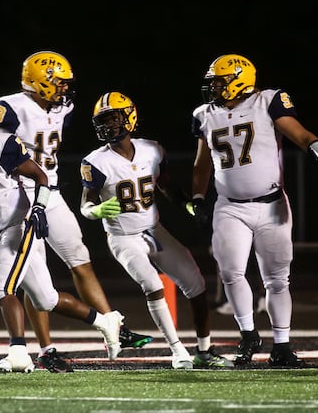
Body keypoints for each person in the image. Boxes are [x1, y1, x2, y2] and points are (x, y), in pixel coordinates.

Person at [0, 97, 124, 374]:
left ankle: (19, 352)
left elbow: (41, 177)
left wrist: (39, 208)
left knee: (0, 289)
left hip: (19, 225)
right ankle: (106, 322)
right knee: (45, 299)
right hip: (0, 230)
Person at [0, 51, 152, 372]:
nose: (65, 89)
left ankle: (113, 328)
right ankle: (46, 347)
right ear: (39, 81)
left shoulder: (63, 106)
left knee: (80, 258)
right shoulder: (9, 108)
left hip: (50, 190)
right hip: (21, 194)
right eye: (59, 83)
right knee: (32, 274)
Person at [191, 54, 318, 367]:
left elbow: (300, 134)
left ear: (239, 79)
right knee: (231, 271)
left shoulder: (267, 101)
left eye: (220, 81)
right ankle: (248, 333)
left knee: (277, 280)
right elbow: (202, 162)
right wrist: (197, 196)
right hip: (230, 207)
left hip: (271, 203)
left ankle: (282, 344)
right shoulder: (204, 114)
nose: (214, 88)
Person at [80, 91, 233, 369]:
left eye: (113, 118)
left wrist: (188, 205)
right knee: (152, 284)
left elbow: (166, 186)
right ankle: (177, 350)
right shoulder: (95, 162)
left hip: (154, 229)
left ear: (130, 117)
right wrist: (97, 211)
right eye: (103, 120)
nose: (108, 125)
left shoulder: (152, 149)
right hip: (123, 237)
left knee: (196, 283)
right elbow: (86, 205)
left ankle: (204, 351)